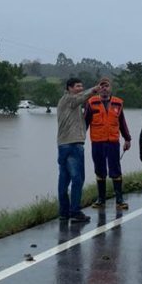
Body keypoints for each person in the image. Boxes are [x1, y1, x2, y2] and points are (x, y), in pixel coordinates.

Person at [57, 77, 101, 223]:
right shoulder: (69, 100)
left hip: (63, 145)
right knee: (77, 179)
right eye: (77, 86)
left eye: (82, 86)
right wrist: (94, 90)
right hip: (73, 144)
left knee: (64, 178)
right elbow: (81, 98)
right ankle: (75, 211)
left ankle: (64, 212)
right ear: (69, 88)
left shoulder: (71, 104)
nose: (80, 88)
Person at [84, 77, 131, 210]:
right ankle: (101, 200)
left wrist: (127, 139)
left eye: (107, 86)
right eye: (102, 86)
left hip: (113, 142)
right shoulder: (91, 102)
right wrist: (79, 139)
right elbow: (85, 122)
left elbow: (122, 123)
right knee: (100, 170)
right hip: (97, 142)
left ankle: (119, 200)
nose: (104, 88)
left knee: (115, 170)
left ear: (111, 88)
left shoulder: (118, 103)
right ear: (98, 88)